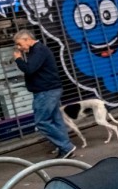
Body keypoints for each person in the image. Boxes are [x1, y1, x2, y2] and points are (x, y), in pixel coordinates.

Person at [12, 30, 76, 158]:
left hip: (46, 91)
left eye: (19, 44)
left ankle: (66, 146)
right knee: (55, 120)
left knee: (41, 121)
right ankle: (65, 149)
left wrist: (18, 59)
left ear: (27, 39)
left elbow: (29, 69)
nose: (19, 47)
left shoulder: (38, 50)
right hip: (49, 89)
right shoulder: (38, 50)